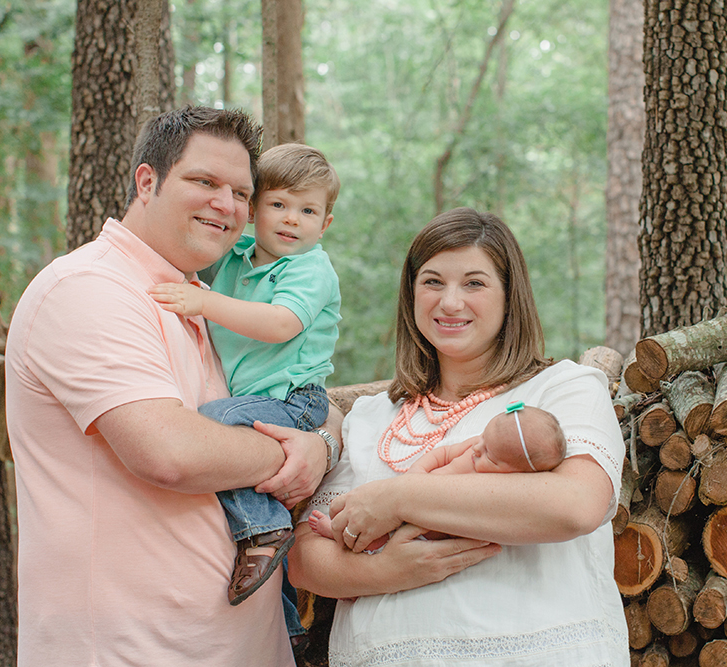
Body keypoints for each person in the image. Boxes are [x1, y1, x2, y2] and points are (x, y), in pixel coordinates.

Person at [5, 106, 340, 667]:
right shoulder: (91, 288)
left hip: (232, 647)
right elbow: (172, 453)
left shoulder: (194, 298)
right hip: (129, 650)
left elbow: (300, 395)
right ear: (147, 181)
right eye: (204, 181)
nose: (226, 204)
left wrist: (322, 442)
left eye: (240, 191)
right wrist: (295, 453)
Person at [287, 207, 628, 666]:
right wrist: (381, 571)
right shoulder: (370, 417)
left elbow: (574, 505)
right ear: (410, 294)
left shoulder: (562, 388)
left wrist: (400, 497)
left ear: (511, 296)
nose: (450, 302)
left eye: (474, 283)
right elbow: (305, 557)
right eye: (432, 282)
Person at [147, 143, 341, 644]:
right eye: (279, 205)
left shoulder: (308, 268)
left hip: (292, 399)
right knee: (252, 557)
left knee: (212, 420)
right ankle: (289, 631)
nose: (292, 220)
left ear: (326, 223)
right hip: (256, 399)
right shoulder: (234, 257)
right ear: (253, 210)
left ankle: (267, 529)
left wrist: (204, 302)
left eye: (308, 211)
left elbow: (280, 324)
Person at [306, 403, 566, 552]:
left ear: (515, 474)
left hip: (434, 525)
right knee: (376, 516)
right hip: (408, 495)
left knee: (389, 542)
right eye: (483, 439)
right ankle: (337, 530)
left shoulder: (499, 487)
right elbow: (443, 454)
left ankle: (357, 561)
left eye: (490, 456)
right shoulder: (476, 447)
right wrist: (417, 475)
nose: (477, 448)